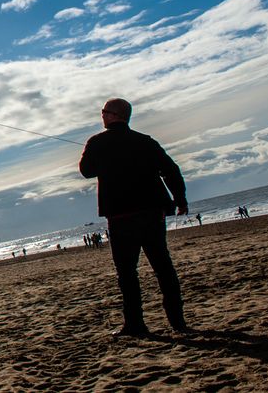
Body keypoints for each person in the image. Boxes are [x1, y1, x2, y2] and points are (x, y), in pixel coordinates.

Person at [80, 98, 190, 337]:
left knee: (129, 273)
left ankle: (137, 325)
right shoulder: (144, 142)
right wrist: (180, 200)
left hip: (122, 217)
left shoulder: (99, 142)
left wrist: (98, 155)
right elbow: (171, 171)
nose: (102, 115)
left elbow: (86, 170)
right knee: (162, 267)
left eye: (104, 112)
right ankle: (176, 323)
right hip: (149, 213)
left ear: (114, 115)